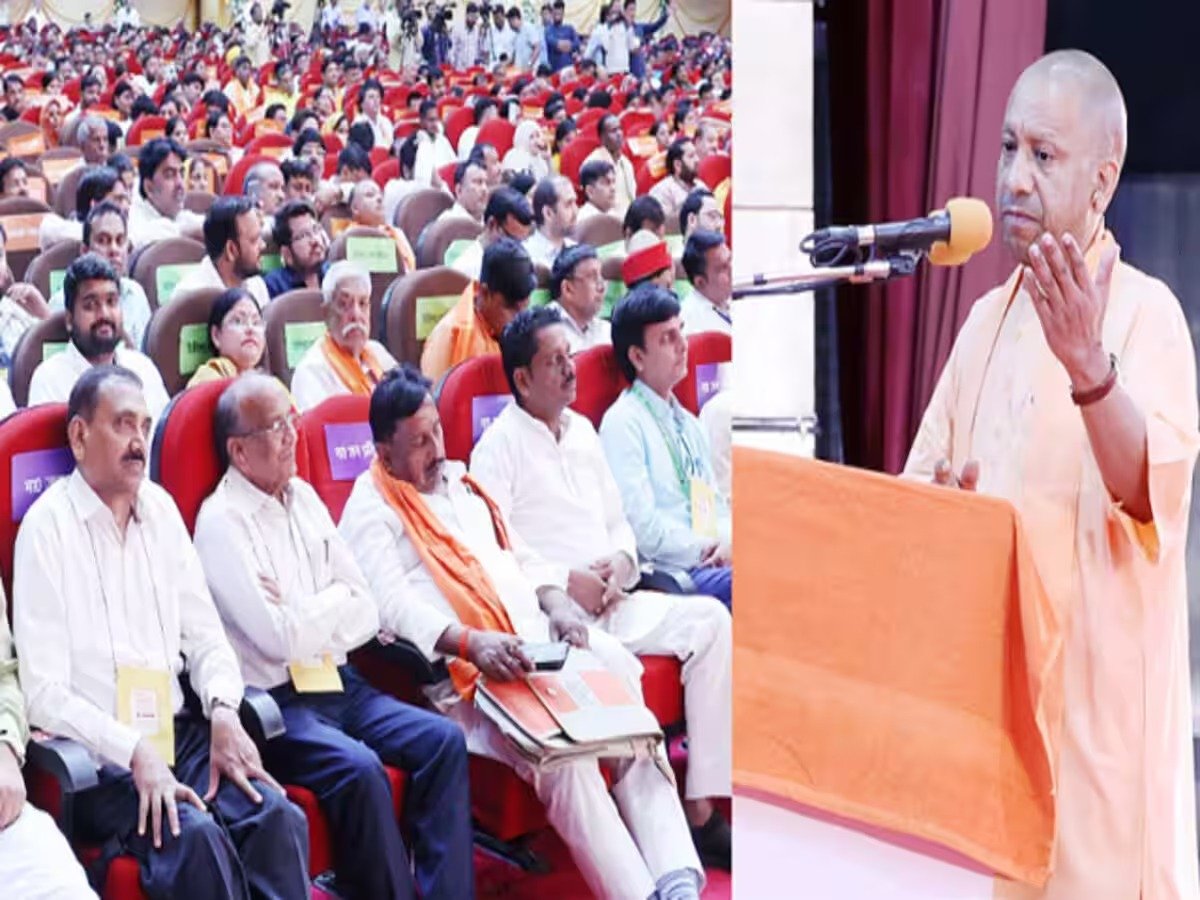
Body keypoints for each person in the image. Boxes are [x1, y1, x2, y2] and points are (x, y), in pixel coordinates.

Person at [904, 50, 1200, 899]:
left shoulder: (1146, 314)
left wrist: (1088, 368)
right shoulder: (982, 321)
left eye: (1043, 155)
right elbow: (917, 497)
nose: (1014, 179)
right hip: (987, 730)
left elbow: (1151, 492)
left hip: (1094, 741)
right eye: (1007, 148)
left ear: (1102, 179)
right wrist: (943, 511)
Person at [338, 364, 705, 900]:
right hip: (472, 677)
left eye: (437, 430)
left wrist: (558, 605)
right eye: (419, 442)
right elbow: (389, 607)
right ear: (384, 451)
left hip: (542, 647)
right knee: (567, 763)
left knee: (634, 727)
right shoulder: (372, 508)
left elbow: (522, 558)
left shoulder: (463, 483)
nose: (436, 449)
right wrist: (471, 642)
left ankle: (678, 883)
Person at [13, 365, 310, 900]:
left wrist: (223, 710)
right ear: (79, 436)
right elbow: (44, 695)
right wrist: (133, 751)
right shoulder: (46, 529)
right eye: (123, 424)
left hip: (179, 735)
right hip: (105, 764)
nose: (139, 442)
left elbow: (206, 637)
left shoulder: (162, 510)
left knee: (275, 816)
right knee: (195, 838)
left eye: (145, 426)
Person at [192, 371, 476, 898]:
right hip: (277, 706)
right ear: (238, 450)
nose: (292, 435)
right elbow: (278, 640)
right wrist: (331, 601)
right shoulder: (221, 523)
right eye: (275, 427)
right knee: (361, 770)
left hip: (338, 681)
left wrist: (301, 607)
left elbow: (366, 607)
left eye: (292, 420)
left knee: (442, 741)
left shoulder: (302, 497)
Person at [473, 305, 733, 866]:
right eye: (555, 362)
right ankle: (651, 841)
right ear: (523, 379)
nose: (572, 370)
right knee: (618, 664)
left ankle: (703, 807)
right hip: (558, 620)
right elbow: (495, 553)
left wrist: (620, 562)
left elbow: (620, 525)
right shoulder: (497, 448)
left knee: (712, 622)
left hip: (616, 598)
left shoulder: (585, 432)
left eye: (570, 356)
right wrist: (565, 583)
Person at [599, 285, 731, 608]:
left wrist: (727, 541)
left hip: (710, 562)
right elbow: (642, 529)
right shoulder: (623, 423)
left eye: (681, 331)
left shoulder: (689, 424)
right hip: (670, 573)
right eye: (667, 338)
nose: (683, 345)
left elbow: (711, 504)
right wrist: (704, 548)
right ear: (637, 357)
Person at [29, 255, 169, 418]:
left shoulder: (142, 367)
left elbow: (164, 432)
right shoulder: (49, 379)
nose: (104, 314)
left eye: (111, 302)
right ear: (69, 320)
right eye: (90, 305)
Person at [420, 237, 533, 380]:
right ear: (484, 293)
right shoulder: (454, 337)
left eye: (525, 308)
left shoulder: (523, 330)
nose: (519, 320)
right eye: (511, 309)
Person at [291, 260, 398, 411]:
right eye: (344, 304)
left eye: (362, 304)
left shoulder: (378, 352)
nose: (356, 315)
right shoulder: (311, 372)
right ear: (326, 313)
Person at [46, 202, 152, 350]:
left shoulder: (136, 294)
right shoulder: (61, 302)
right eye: (103, 240)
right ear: (85, 251)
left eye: (120, 241)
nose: (114, 250)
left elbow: (143, 356)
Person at [170, 197, 271, 308]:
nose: (263, 245)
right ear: (231, 250)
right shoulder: (189, 297)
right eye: (254, 240)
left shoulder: (256, 285)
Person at [128, 138, 204, 250]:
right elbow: (139, 240)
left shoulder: (176, 214)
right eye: (169, 175)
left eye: (181, 174)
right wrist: (185, 232)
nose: (180, 184)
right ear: (149, 188)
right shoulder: (133, 219)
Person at [187, 288, 267, 386]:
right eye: (238, 321)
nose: (251, 329)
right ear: (216, 335)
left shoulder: (267, 381)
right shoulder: (208, 379)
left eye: (256, 322)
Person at [451, 185, 534, 280]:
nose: (519, 249)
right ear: (492, 224)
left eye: (522, 242)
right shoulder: (467, 272)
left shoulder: (522, 263)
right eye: (512, 241)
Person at [547, 244, 608, 352]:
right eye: (592, 277)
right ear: (568, 288)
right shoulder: (544, 330)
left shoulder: (606, 329)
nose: (602, 287)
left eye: (603, 277)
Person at [264, 199, 331, 297]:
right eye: (303, 235)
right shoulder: (273, 286)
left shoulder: (333, 273)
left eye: (316, 229)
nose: (315, 240)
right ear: (286, 253)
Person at [348, 179, 416, 272]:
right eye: (370, 195)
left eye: (381, 195)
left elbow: (410, 271)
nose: (379, 199)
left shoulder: (396, 233)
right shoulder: (348, 238)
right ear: (355, 208)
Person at [679, 230, 731, 336]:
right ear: (700, 282)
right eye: (723, 267)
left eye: (730, 259)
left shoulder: (731, 296)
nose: (733, 269)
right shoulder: (691, 326)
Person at [585, 115, 637, 216]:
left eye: (620, 129)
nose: (619, 134)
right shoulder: (592, 164)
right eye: (613, 131)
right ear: (602, 138)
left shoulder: (626, 164)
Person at [524, 175, 577, 268]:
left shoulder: (576, 249)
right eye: (568, 205)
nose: (575, 211)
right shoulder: (527, 257)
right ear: (548, 213)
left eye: (575, 203)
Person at [649, 138, 706, 225]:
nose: (697, 160)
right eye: (691, 156)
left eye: (696, 155)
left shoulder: (701, 186)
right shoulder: (662, 191)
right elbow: (662, 225)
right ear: (677, 165)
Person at [412, 99, 456, 188]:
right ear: (421, 121)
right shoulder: (413, 145)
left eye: (436, 119)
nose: (435, 124)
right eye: (431, 120)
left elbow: (454, 165)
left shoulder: (442, 140)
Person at [439, 159, 489, 224]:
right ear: (459, 190)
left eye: (486, 183)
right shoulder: (448, 223)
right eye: (478, 182)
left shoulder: (489, 221)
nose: (484, 189)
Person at [354, 78, 393, 151]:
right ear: (362, 104)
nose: (376, 100)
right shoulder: (358, 124)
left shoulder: (386, 122)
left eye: (378, 97)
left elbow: (389, 145)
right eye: (371, 97)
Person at [544, 0, 580, 71]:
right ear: (552, 14)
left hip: (569, 68)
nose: (557, 16)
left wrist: (568, 45)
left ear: (563, 14)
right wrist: (566, 44)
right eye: (555, 14)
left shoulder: (569, 28)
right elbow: (553, 42)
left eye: (559, 14)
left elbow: (577, 43)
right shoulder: (548, 30)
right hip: (554, 69)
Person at [577, 159, 617, 223]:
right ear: (590, 191)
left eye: (613, 182)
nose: (613, 188)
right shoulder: (585, 221)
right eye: (606, 183)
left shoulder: (613, 214)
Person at [449, 2, 484, 69]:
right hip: (459, 68)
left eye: (475, 17)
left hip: (472, 69)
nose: (473, 19)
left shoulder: (476, 30)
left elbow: (477, 49)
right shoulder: (457, 29)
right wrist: (452, 65)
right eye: (472, 16)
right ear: (466, 15)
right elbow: (452, 49)